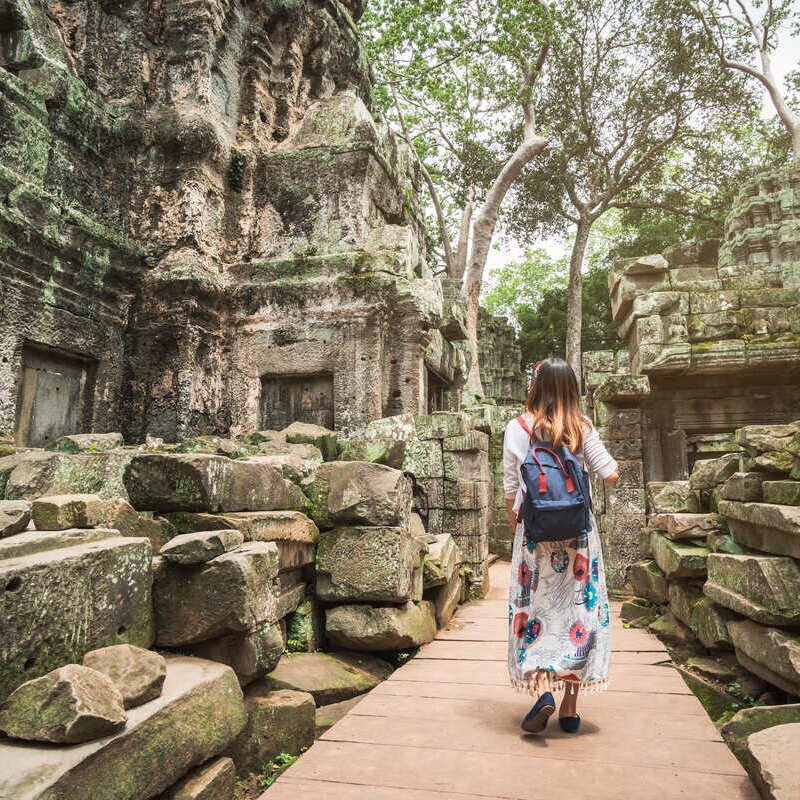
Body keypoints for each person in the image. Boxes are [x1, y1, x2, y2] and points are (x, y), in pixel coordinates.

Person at [503, 357, 619, 734]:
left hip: (535, 537)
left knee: (535, 610)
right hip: (579, 539)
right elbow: (611, 474)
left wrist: (519, 524)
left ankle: (541, 690)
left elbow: (510, 490)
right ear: (572, 388)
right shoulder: (581, 427)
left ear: (535, 387)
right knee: (577, 614)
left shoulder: (517, 428)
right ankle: (570, 709)